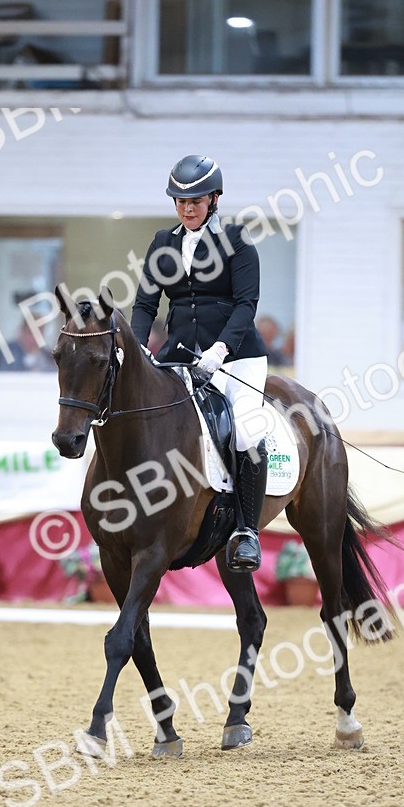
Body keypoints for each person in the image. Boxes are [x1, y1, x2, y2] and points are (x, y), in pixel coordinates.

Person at [130, 153, 269, 572]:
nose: (188, 208)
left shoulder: (237, 241)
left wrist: (220, 350)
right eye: (181, 201)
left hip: (236, 356)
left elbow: (247, 304)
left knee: (244, 432)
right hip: (180, 355)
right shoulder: (163, 243)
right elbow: (144, 303)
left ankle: (246, 532)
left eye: (196, 200)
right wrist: (138, 350)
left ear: (214, 200)